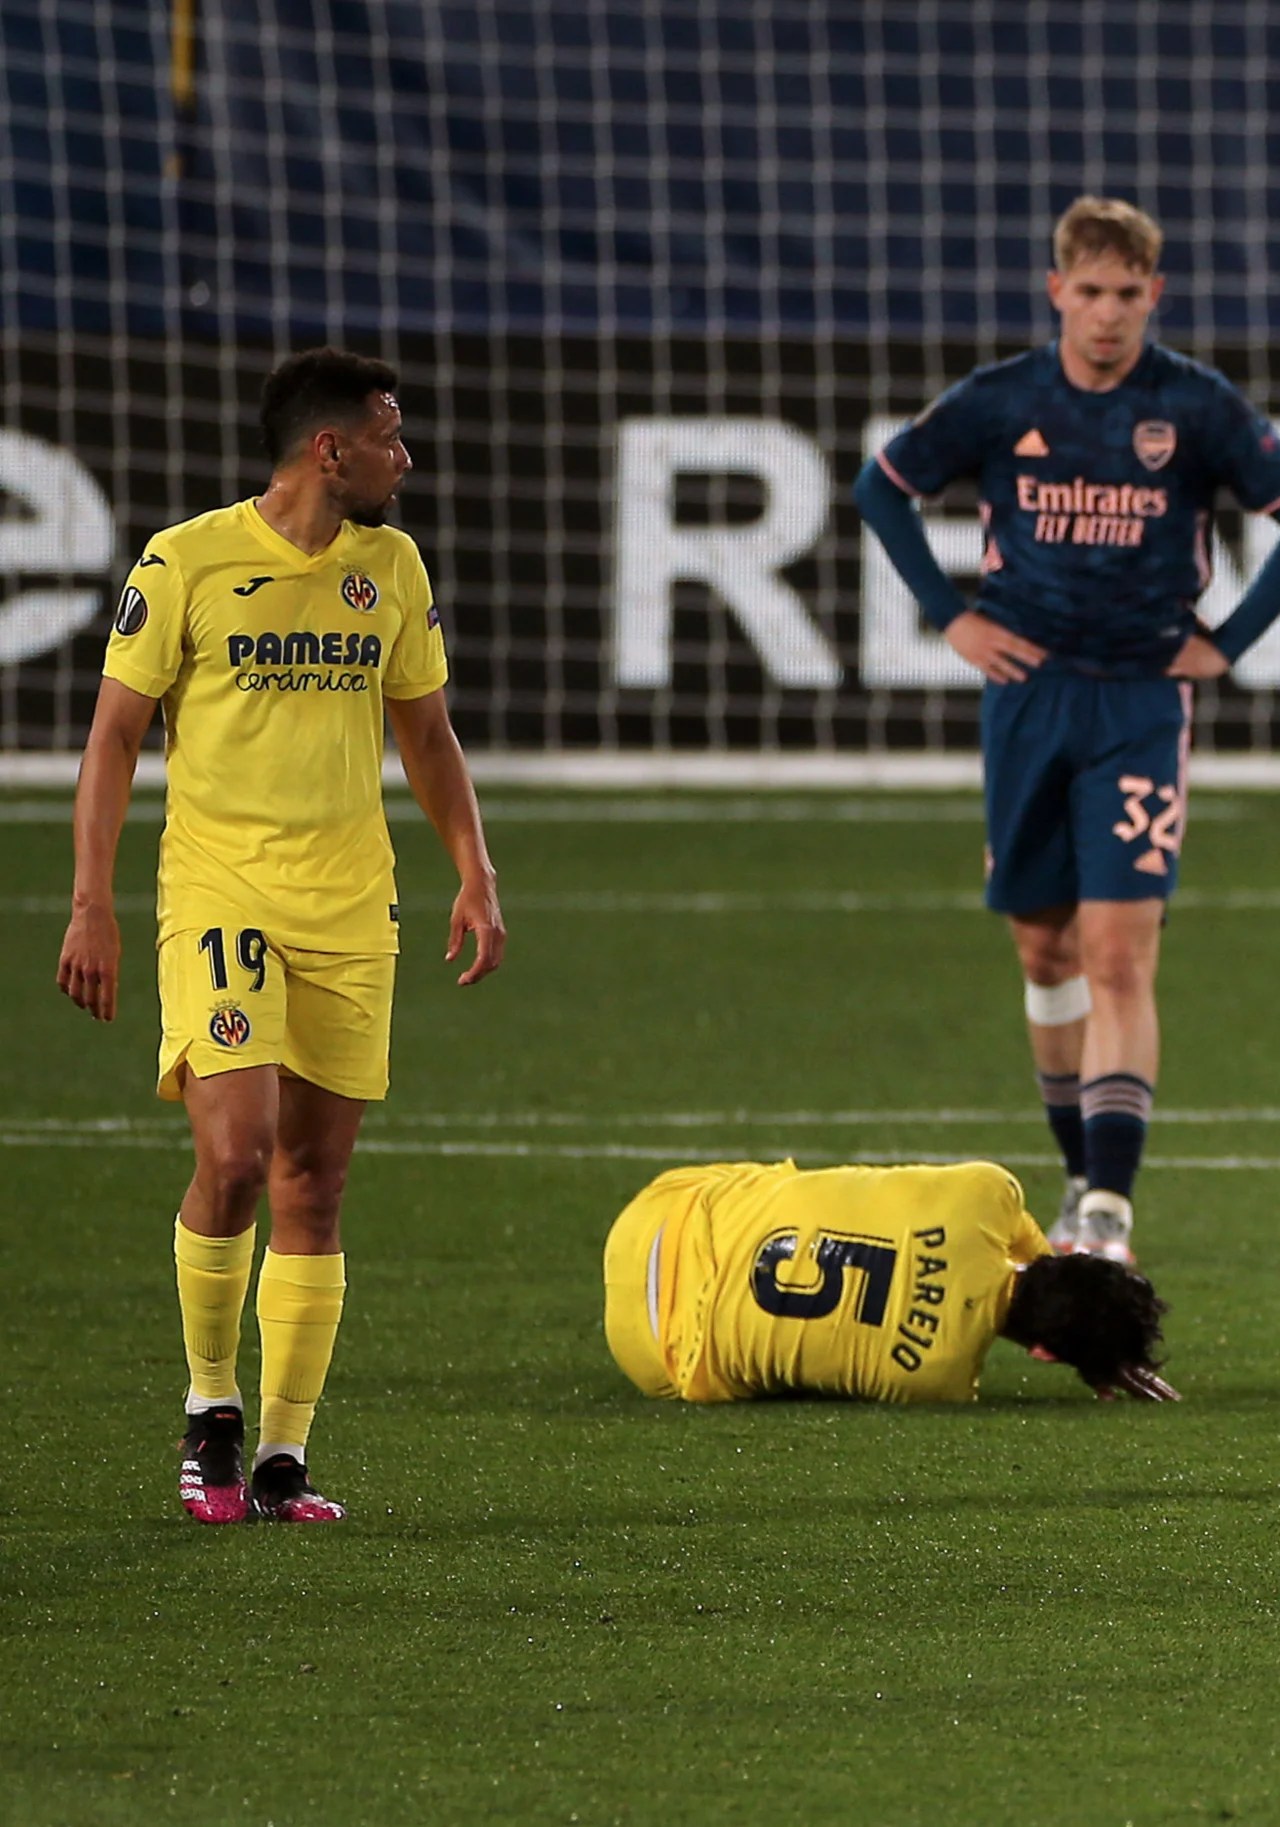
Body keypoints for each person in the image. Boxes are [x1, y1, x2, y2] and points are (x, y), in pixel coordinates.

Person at [56, 347, 507, 1525]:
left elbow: (426, 735)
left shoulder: (390, 568)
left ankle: (283, 1460)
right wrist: (92, 900)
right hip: (222, 896)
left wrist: (474, 869)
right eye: (389, 437)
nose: (403, 458)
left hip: (352, 905)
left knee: (317, 1182)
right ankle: (212, 1412)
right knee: (240, 1155)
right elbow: (113, 737)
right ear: (329, 450)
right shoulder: (188, 560)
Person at [855, 197, 1280, 1265]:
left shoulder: (1195, 405)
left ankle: (1110, 1216)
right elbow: (880, 486)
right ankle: (1078, 1179)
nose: (1109, 314)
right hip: (1027, 696)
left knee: (1119, 954)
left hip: (1136, 700)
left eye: (1129, 294)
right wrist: (953, 617)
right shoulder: (1001, 400)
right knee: (1043, 947)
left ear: (1153, 296)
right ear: (1057, 293)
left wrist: (1227, 641)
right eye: (1090, 293)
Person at [603, 1160, 1177, 1405]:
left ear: (1071, 1255)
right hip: (651, 1347)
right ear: (1044, 1353)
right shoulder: (939, 1380)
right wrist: (1093, 1352)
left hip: (658, 1215)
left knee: (789, 1188)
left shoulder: (987, 1193)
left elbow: (1028, 1252)